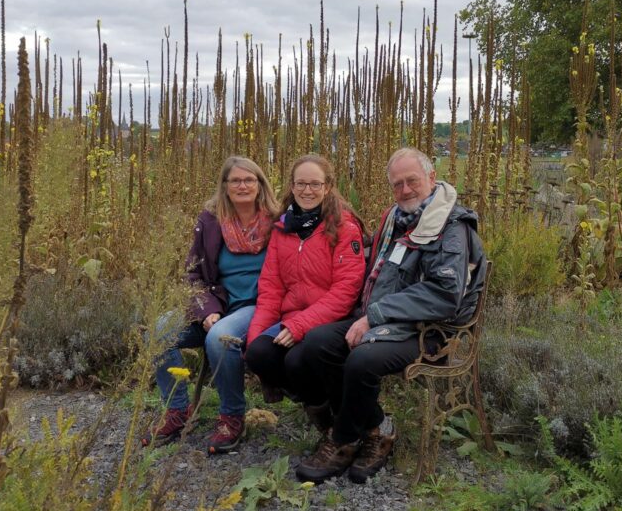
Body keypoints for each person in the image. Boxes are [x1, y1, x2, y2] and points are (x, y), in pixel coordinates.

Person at [292, 147, 486, 484]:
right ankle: (377, 428)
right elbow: (375, 266)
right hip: (385, 319)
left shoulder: (451, 226)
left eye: (412, 181)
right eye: (397, 184)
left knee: (362, 360)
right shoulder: (396, 218)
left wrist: (374, 316)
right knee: (316, 343)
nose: (405, 190)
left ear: (431, 178)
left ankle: (342, 440)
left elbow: (444, 295)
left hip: (430, 330)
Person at [141, 156, 279, 452]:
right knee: (159, 331)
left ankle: (232, 416)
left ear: (260, 184)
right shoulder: (211, 221)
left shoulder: (277, 222)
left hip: (258, 305)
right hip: (217, 304)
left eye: (249, 180)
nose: (242, 185)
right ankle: (177, 411)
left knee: (220, 338)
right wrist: (206, 310)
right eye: (235, 180)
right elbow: (193, 274)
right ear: (225, 186)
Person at [244, 154, 366, 424]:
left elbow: (346, 290)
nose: (307, 191)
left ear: (327, 187)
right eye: (300, 184)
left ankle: (339, 415)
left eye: (315, 184)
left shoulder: (343, 227)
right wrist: (255, 336)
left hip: (330, 320)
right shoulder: (283, 229)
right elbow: (271, 288)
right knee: (258, 354)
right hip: (292, 319)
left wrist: (299, 326)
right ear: (292, 186)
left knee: (297, 360)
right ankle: (319, 406)